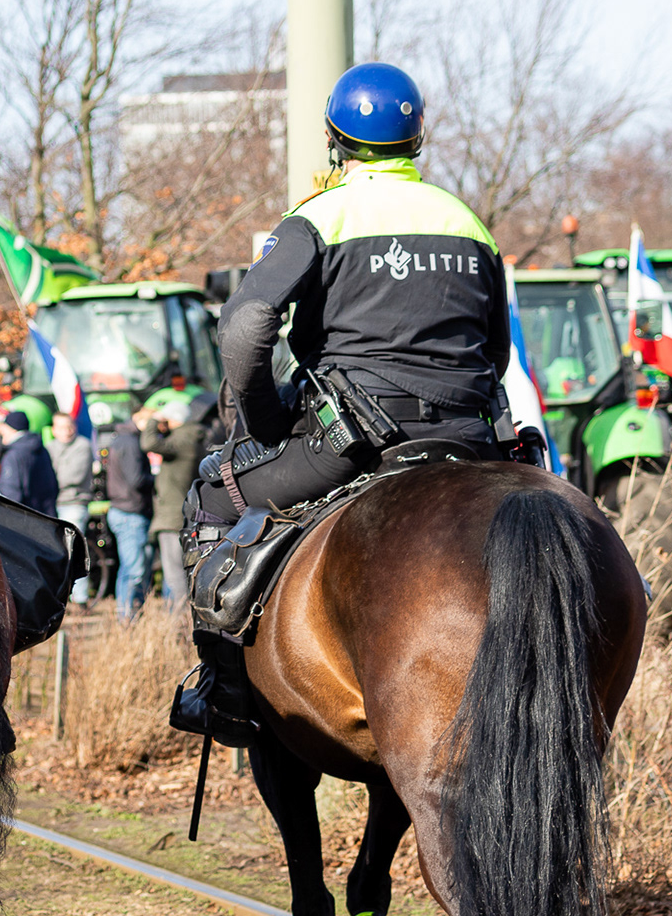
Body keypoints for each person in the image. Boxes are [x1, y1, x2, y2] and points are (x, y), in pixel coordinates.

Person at [174, 62, 519, 747]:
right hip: (469, 440)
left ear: (336, 140)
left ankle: (227, 693)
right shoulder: (468, 223)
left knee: (214, 494)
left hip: (351, 441)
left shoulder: (320, 216)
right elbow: (497, 350)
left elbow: (246, 325)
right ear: (416, 140)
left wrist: (266, 417)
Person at [140, 395, 207, 602]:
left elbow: (148, 442)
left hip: (172, 517)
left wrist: (154, 419)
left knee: (175, 575)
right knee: (183, 572)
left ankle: (180, 624)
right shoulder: (193, 436)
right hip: (183, 514)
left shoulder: (181, 440)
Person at [102, 416, 154, 619]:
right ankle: (127, 617)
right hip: (130, 510)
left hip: (123, 508)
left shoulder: (121, 438)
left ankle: (127, 614)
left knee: (128, 568)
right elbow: (136, 479)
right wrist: (157, 478)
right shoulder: (131, 442)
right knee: (134, 570)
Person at [46, 411, 95, 605]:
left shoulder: (82, 446)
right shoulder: (49, 447)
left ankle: (80, 597)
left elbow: (71, 477)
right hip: (52, 503)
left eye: (70, 426)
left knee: (73, 550)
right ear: (53, 430)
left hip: (74, 503)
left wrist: (51, 478)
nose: (67, 431)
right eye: (62, 427)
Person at [0, 409, 57, 514]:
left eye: (4, 427)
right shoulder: (41, 449)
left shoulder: (13, 454)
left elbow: (11, 491)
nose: (1, 431)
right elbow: (52, 484)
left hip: (22, 518)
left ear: (12, 429)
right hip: (45, 515)